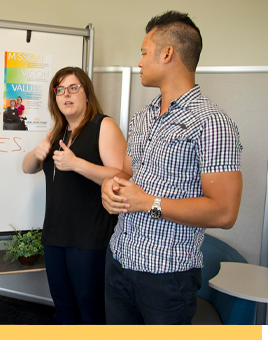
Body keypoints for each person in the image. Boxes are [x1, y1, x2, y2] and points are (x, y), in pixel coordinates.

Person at [101, 11, 243, 325]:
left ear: (167, 54)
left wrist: (149, 203)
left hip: (167, 277)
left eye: (143, 53)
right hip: (119, 261)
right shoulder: (142, 117)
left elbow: (224, 212)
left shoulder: (212, 124)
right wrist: (110, 186)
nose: (138, 62)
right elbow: (126, 174)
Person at [22, 66, 127, 324]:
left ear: (87, 94)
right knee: (64, 309)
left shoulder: (104, 125)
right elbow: (27, 167)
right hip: (55, 236)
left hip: (89, 239)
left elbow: (122, 176)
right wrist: (38, 153)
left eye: (73, 88)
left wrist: (76, 163)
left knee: (91, 311)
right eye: (59, 90)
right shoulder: (58, 132)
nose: (65, 95)